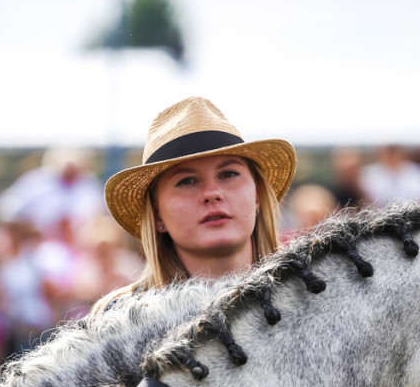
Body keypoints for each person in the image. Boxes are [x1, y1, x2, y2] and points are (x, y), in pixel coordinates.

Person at [98, 96, 296, 308]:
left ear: (257, 195)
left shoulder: (315, 297)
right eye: (187, 181)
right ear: (156, 214)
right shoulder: (119, 320)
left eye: (228, 174)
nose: (212, 193)